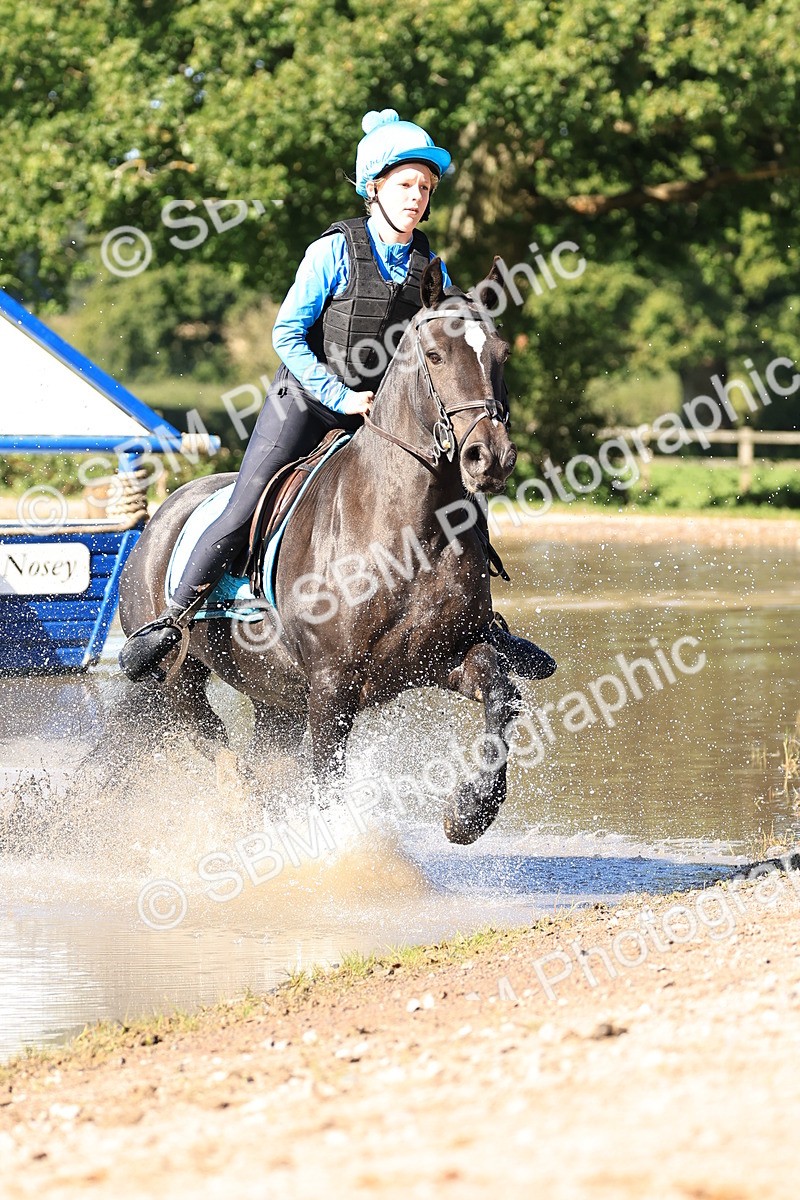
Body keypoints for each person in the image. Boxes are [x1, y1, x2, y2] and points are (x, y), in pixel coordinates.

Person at [119, 109, 556, 683]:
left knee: (458, 495)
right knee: (246, 502)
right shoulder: (332, 251)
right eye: (406, 184)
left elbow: (451, 339)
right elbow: (286, 334)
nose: (417, 197)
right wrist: (339, 394)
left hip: (380, 418)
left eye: (425, 187)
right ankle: (174, 618)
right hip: (304, 402)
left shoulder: (430, 265)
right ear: (374, 188)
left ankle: (483, 621)